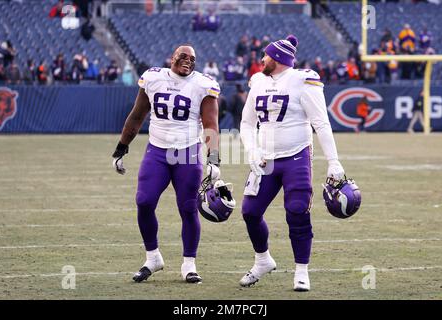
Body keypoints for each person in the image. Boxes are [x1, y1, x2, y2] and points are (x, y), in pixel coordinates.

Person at [239, 35, 345, 291]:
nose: (261, 58)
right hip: (265, 158)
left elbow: (320, 123)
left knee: (297, 210)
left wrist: (334, 161)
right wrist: (252, 150)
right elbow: (246, 123)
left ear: (276, 58)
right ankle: (263, 260)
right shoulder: (258, 81)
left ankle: (301, 271)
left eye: (266, 55)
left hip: (296, 155)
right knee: (250, 212)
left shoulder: (303, 80)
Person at [111, 45, 221, 284]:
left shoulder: (203, 84)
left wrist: (214, 158)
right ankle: (153, 258)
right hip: (157, 151)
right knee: (144, 201)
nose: (188, 61)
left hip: (188, 153)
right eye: (183, 56)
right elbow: (137, 115)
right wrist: (122, 147)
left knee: (188, 208)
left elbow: (211, 123)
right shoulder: (153, 78)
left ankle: (189, 264)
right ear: (172, 57)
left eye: (193, 58)